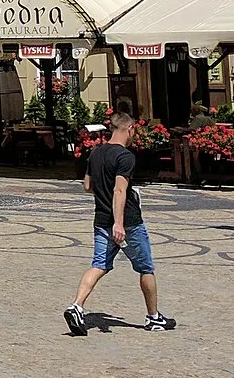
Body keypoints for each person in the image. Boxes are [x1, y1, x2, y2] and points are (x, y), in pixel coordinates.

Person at [66, 109, 177, 335]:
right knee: (145, 267)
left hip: (101, 219)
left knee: (98, 265)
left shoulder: (96, 153)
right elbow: (120, 189)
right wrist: (119, 223)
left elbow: (87, 186)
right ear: (129, 128)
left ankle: (76, 306)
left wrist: (104, 195)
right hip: (128, 223)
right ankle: (154, 317)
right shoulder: (125, 157)